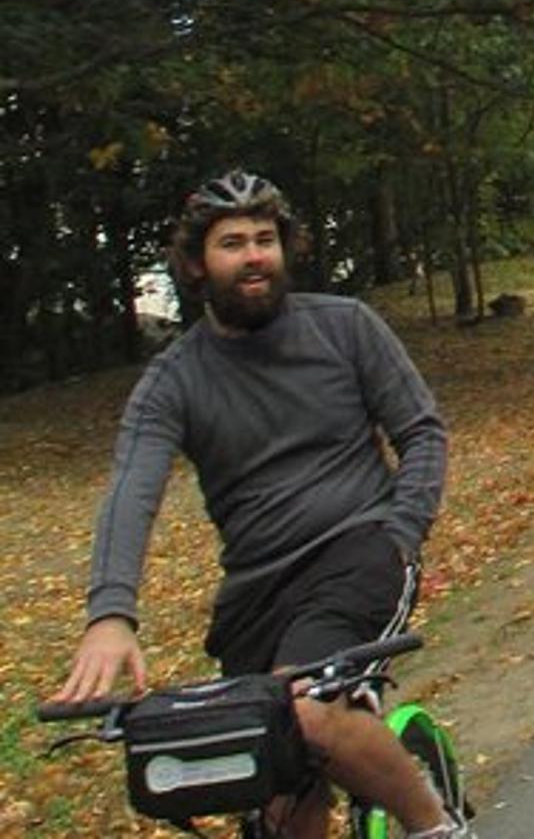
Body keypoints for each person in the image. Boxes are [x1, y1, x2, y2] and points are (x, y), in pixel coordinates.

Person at [55, 172, 471, 839]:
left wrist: (402, 531)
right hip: (255, 592)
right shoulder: (173, 378)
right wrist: (110, 613)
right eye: (232, 243)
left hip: (357, 550)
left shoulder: (345, 326)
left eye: (264, 239)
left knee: (305, 712)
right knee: (273, 787)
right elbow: (132, 488)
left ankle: (436, 827)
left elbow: (421, 430)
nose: (254, 255)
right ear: (196, 263)